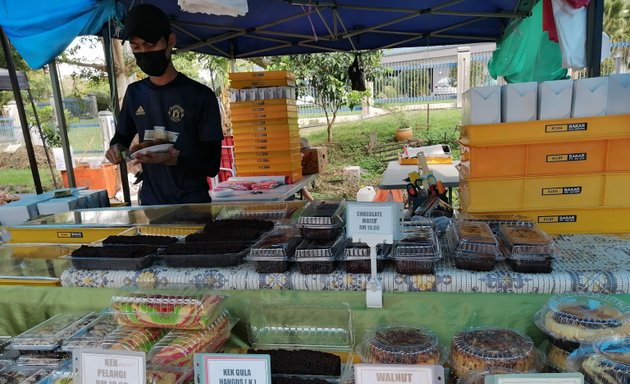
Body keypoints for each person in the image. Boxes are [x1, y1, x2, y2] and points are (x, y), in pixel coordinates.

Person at [105, 4, 223, 205]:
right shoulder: (135, 93)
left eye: (150, 46)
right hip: (152, 205)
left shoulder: (200, 96)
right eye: (136, 47)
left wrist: (175, 160)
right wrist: (115, 148)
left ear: (170, 41)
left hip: (193, 205)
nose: (143, 53)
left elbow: (211, 165)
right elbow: (122, 137)